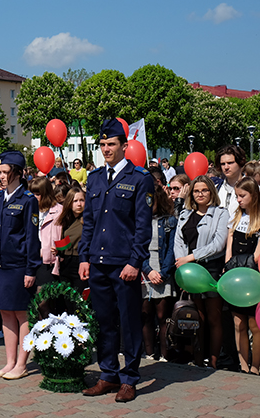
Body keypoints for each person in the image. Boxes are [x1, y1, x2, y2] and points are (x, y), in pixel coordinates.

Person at [79, 119, 153, 403]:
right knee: (104, 321)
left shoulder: (139, 178)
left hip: (124, 264)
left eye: (111, 144)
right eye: (102, 145)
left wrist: (136, 262)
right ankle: (108, 374)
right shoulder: (96, 177)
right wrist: (84, 256)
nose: (106, 149)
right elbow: (89, 222)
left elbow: (143, 226)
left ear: (124, 146)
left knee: (129, 322)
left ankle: (130, 379)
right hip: (97, 261)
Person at [0, 150, 40, 380]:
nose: (2, 177)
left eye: (7, 172)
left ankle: (22, 363)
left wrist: (31, 269)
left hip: (18, 265)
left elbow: (31, 236)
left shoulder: (27, 200)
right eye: (0, 173)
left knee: (22, 314)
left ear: (18, 173)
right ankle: (9, 362)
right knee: (5, 313)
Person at [174, 176, 229, 368]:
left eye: (204, 190)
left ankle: (213, 360)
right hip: (190, 271)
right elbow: (179, 241)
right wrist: (182, 262)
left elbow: (218, 244)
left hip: (211, 268)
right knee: (198, 317)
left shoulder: (221, 214)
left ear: (211, 192)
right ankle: (198, 360)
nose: (200, 194)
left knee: (214, 317)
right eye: (196, 191)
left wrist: (191, 257)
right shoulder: (185, 214)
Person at [226, 177, 260, 375]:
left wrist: (234, 264)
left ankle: (255, 367)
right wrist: (228, 268)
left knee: (255, 324)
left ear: (253, 196)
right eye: (237, 196)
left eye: (242, 196)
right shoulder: (236, 218)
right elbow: (229, 247)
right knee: (238, 322)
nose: (238, 200)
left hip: (255, 277)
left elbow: (258, 255)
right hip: (235, 276)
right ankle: (242, 365)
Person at [141, 184, 177, 362]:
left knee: (163, 316)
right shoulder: (138, 221)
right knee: (145, 314)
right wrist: (148, 271)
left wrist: (162, 273)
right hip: (144, 270)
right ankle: (149, 353)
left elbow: (172, 249)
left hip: (163, 269)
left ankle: (165, 355)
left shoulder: (169, 221)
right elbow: (136, 248)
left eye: (150, 200)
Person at [29, 177, 62, 288]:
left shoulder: (59, 211)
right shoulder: (29, 210)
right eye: (32, 193)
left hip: (49, 262)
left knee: (43, 299)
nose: (34, 197)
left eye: (38, 194)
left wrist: (60, 249)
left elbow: (69, 235)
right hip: (31, 259)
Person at [55, 187, 86, 292]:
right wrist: (57, 249)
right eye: (75, 201)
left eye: (82, 200)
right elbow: (67, 242)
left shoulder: (88, 221)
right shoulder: (64, 220)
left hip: (81, 262)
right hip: (65, 263)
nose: (79, 204)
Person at [215, 145, 247, 220]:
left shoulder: (253, 188)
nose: (226, 167)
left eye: (230, 163)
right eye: (223, 164)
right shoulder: (216, 189)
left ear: (240, 162)